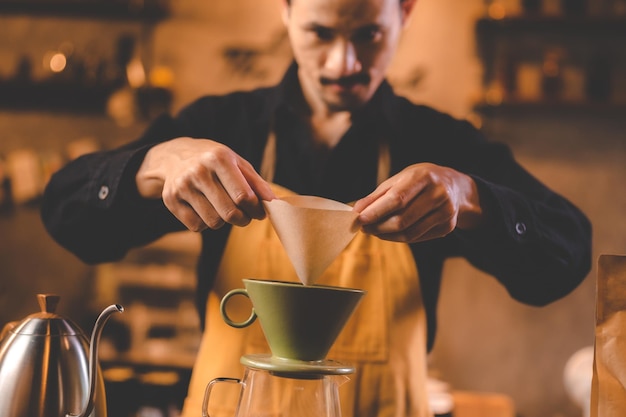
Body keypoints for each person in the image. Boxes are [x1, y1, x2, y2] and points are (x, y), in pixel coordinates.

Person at [41, 0, 592, 416]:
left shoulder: (441, 144)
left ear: (405, 12)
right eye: (319, 33)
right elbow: (68, 216)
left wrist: (473, 199)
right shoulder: (222, 126)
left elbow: (565, 259)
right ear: (285, 11)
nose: (343, 62)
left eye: (369, 35)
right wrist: (153, 163)